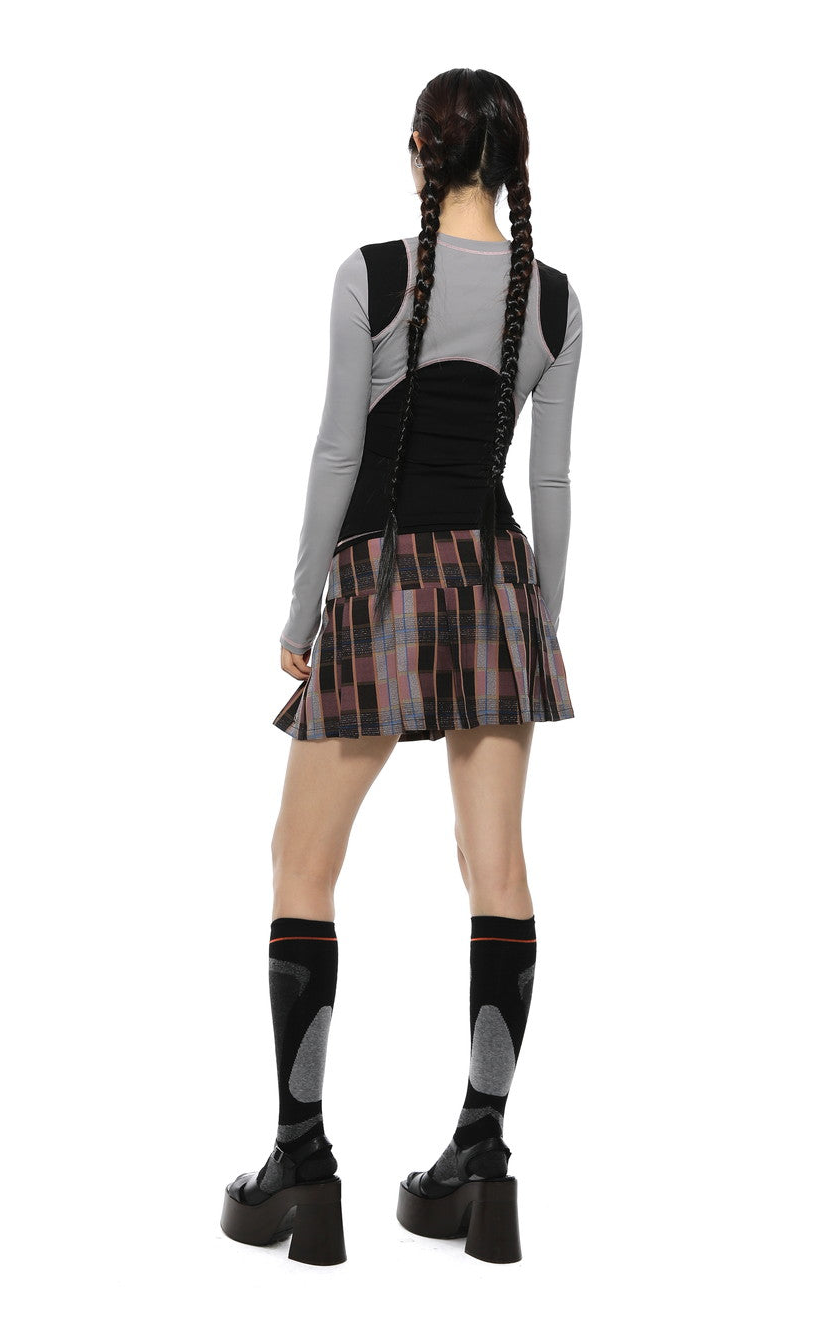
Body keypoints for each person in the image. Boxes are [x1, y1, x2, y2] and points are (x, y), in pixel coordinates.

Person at [220, 67, 583, 1265]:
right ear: (515, 163)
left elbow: (339, 451)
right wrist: (539, 625)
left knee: (300, 861)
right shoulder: (553, 300)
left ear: (418, 148)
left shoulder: (372, 276)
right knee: (496, 864)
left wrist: (300, 609)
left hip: (381, 580)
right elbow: (550, 481)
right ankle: (481, 1154)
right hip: (498, 586)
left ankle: (299, 1156)